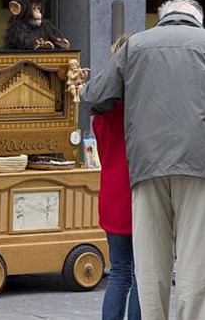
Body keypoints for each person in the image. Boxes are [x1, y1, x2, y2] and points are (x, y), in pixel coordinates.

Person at [80, 0, 205, 320]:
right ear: (197, 20)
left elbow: (96, 97)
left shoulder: (137, 45)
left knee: (150, 266)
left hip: (146, 165)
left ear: (163, 19)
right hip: (201, 165)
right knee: (195, 266)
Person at [90, 34, 141, 320]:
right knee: (140, 275)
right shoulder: (138, 106)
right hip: (137, 193)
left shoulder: (102, 109)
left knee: (119, 271)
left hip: (111, 193)